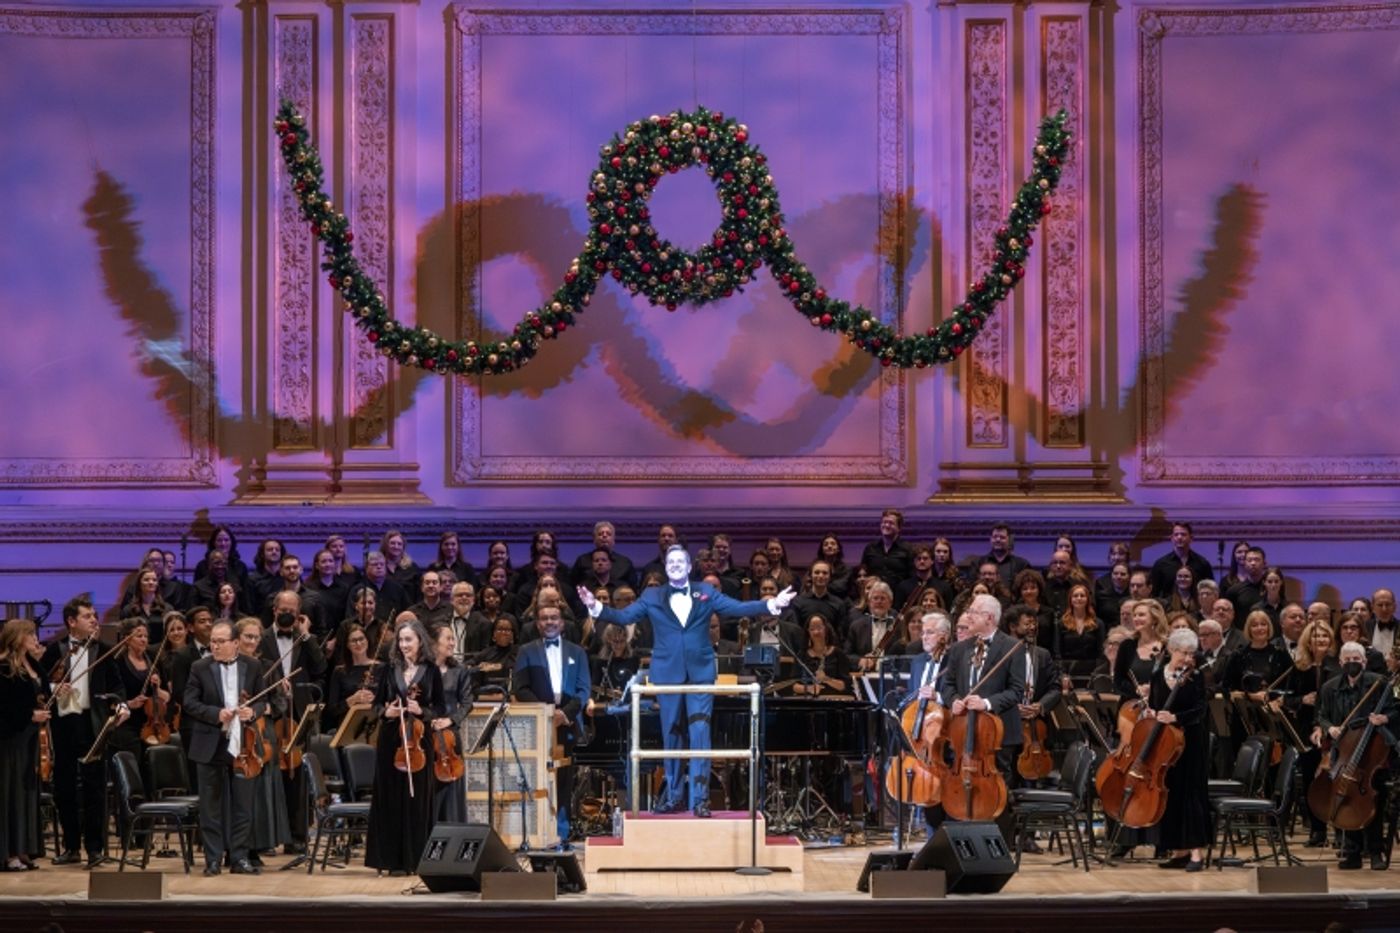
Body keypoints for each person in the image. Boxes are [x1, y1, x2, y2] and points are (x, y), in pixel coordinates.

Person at [578, 545, 795, 817]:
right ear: (665, 567)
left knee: (700, 733)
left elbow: (737, 607)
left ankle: (700, 800)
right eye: (671, 562)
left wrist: (771, 604)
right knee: (671, 733)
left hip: (700, 673)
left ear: (689, 566)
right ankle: (674, 796)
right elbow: (624, 617)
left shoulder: (705, 591)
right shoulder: (652, 594)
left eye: (681, 561)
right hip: (667, 673)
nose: (676, 565)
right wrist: (595, 606)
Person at [42, 596, 128, 868]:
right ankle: (71, 847)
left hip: (93, 724)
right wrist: (55, 689)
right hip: (64, 726)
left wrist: (121, 705)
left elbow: (117, 686)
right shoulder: (55, 651)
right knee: (65, 788)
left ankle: (94, 848)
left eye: (94, 615)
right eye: (88, 616)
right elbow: (40, 685)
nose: (94, 620)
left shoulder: (104, 649)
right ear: (71, 621)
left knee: (95, 789)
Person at [183, 621, 267, 876]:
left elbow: (263, 700)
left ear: (235, 644)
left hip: (243, 745)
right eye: (213, 642)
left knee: (243, 804)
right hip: (211, 743)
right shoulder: (199, 667)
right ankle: (212, 859)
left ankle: (239, 858)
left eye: (221, 642)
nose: (215, 646)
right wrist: (215, 714)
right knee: (211, 806)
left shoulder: (253, 666)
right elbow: (189, 702)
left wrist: (253, 711)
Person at [366, 618, 444, 875]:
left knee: (417, 801)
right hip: (392, 741)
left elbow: (441, 709)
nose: (403, 645)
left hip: (419, 742)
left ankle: (416, 859)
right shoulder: (389, 670)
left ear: (420, 640)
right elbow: (376, 706)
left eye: (408, 640)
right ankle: (392, 861)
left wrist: (422, 710)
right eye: (400, 640)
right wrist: (386, 712)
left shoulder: (431, 671)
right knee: (391, 799)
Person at [511, 604, 590, 845]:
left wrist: (564, 714)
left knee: (564, 779)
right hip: (536, 724)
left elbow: (584, 689)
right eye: (544, 618)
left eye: (554, 618)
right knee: (536, 778)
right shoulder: (526, 651)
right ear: (537, 624)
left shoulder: (577, 652)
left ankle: (561, 832)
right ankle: (538, 832)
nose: (549, 622)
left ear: (562, 623)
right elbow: (520, 688)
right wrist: (544, 713)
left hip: (567, 724)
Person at [1313, 641, 1395, 870]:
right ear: (1340, 662)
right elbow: (1321, 715)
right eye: (1347, 660)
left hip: (1373, 751)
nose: (1351, 664)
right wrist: (1329, 728)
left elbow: (1395, 709)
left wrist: (1384, 719)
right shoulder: (1329, 687)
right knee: (1346, 799)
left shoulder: (1379, 684)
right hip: (1345, 752)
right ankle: (1352, 852)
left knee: (1373, 801)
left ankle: (1376, 850)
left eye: (1356, 660)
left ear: (1365, 662)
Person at [936, 594, 1027, 786]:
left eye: (973, 612)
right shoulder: (959, 649)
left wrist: (986, 703)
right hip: (963, 728)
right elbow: (948, 684)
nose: (968, 616)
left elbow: (1017, 690)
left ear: (989, 618)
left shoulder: (1013, 647)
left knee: (997, 784)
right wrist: (953, 701)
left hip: (998, 731)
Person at [1149, 628, 1210, 871]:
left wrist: (1175, 716)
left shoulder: (1195, 677)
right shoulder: (1157, 676)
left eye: (1191, 654)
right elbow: (1155, 705)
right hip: (1166, 744)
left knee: (1191, 794)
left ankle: (1197, 853)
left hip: (1192, 741)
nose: (1187, 658)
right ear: (1171, 650)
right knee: (1171, 793)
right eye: (1183, 653)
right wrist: (1155, 714)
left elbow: (1200, 709)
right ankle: (1179, 850)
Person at [1278, 620, 1340, 847]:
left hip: (1332, 729)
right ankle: (1317, 829)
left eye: (1325, 636)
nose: (1321, 640)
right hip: (1305, 731)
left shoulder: (1337, 666)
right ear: (1308, 641)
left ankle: (1340, 830)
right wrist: (1302, 700)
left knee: (1335, 780)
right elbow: (1286, 699)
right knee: (1311, 781)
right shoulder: (1300, 667)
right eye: (1316, 637)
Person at [0, 619, 51, 871]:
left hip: (31, 737)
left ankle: (23, 848)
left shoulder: (32, 664)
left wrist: (54, 692)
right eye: (31, 635)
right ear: (18, 637)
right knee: (10, 794)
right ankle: (7, 852)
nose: (35, 640)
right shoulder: (3, 667)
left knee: (27, 793)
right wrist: (29, 715)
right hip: (10, 738)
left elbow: (41, 693)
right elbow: (4, 707)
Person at [430, 623, 474, 824]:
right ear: (434, 642)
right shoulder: (424, 670)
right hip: (427, 733)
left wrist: (451, 719)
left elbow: (467, 703)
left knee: (452, 787)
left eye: (453, 638)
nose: (452, 643)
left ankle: (452, 829)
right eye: (447, 638)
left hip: (449, 736)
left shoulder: (459, 671)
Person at [1148, 522, 1214, 599]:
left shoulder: (1202, 564)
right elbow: (1155, 593)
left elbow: (1210, 590)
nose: (1179, 537)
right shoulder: (1160, 564)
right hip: (1168, 608)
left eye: (1183, 534)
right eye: (1176, 534)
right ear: (1171, 539)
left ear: (1191, 538)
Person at [793, 616, 853, 697]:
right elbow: (794, 686)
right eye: (812, 629)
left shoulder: (838, 654)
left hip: (834, 701)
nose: (816, 632)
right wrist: (809, 688)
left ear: (826, 629)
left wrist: (826, 679)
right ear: (808, 632)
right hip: (809, 701)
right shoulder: (802, 655)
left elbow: (845, 686)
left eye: (819, 628)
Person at [860, 509, 913, 588]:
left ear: (899, 528)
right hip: (874, 595)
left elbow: (911, 577)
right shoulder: (870, 548)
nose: (887, 525)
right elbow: (864, 572)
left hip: (898, 596)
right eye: (884, 522)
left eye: (891, 523)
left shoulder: (908, 549)